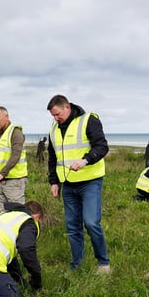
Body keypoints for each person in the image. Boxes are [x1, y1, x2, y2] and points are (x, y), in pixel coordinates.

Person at [46, 94, 111, 273]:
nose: (55, 118)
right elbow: (53, 157)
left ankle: (103, 263)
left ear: (67, 107)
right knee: (72, 227)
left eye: (58, 114)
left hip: (90, 181)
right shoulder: (53, 128)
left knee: (91, 223)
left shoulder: (88, 120)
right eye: (53, 115)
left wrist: (85, 160)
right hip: (67, 184)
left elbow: (102, 147)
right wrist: (54, 182)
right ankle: (77, 265)